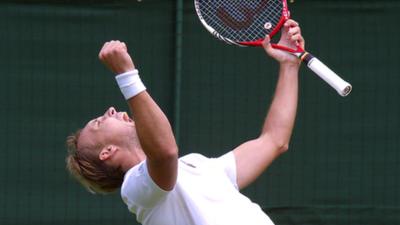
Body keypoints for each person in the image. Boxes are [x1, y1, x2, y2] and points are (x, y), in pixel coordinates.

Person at [66, 19, 304, 225]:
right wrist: (126, 75)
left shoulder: (197, 166)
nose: (110, 110)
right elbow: (165, 152)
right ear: (108, 152)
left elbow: (274, 140)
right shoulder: (136, 188)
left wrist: (289, 65)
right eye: (99, 122)